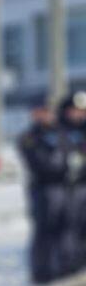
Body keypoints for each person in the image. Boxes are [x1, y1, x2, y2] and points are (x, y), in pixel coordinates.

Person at [17, 95, 68, 285]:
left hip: (63, 187)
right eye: (39, 112)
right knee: (43, 231)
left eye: (46, 111)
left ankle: (59, 267)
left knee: (61, 230)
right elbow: (39, 163)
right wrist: (61, 165)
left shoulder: (60, 133)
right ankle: (41, 272)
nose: (43, 115)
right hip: (42, 188)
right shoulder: (29, 137)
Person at [53, 91, 86, 276]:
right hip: (67, 186)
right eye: (75, 110)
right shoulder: (60, 130)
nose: (79, 114)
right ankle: (68, 263)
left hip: (83, 183)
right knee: (68, 226)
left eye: (82, 111)